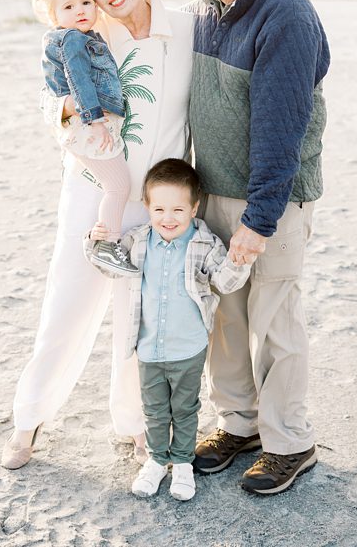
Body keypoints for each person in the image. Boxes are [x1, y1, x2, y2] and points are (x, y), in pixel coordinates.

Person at [2, 0, 195, 470]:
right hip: (92, 192)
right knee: (66, 306)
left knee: (140, 319)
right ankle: (28, 419)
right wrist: (64, 110)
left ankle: (136, 427)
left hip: (155, 202)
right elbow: (48, 96)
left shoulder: (186, 28)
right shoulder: (88, 30)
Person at [185, 0, 330, 495]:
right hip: (213, 191)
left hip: (271, 198)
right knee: (224, 318)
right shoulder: (204, 8)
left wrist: (260, 220)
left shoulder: (285, 14)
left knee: (273, 320)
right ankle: (239, 425)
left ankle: (289, 442)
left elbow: (282, 129)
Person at [86, 159, 250, 501]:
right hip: (148, 346)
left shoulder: (205, 244)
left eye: (178, 209)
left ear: (194, 207)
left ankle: (183, 463)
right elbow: (110, 268)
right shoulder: (137, 240)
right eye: (159, 208)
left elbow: (223, 282)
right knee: (156, 409)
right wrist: (96, 241)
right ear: (147, 207)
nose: (168, 217)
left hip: (188, 347)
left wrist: (239, 259)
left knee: (186, 407)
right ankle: (158, 461)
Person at [29, 0, 139, 276]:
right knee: (118, 186)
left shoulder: (77, 36)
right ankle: (106, 242)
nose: (81, 10)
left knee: (117, 185)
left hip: (85, 124)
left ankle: (106, 241)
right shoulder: (74, 40)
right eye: (68, 6)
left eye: (86, 2)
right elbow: (78, 81)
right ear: (54, 15)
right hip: (86, 125)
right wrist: (96, 120)